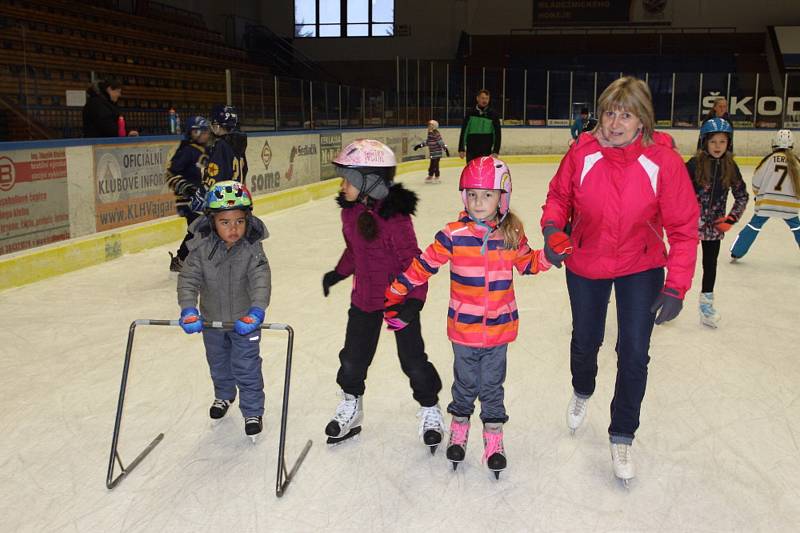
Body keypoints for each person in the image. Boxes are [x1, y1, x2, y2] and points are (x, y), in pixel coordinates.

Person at [541, 76, 699, 486]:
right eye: (610, 113)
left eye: (625, 115)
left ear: (642, 119)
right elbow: (559, 197)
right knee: (585, 339)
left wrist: (676, 284)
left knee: (633, 351)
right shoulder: (583, 152)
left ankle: (622, 433)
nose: (615, 123)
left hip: (641, 266)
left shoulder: (662, 162)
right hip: (587, 260)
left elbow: (683, 227)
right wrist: (552, 230)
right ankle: (582, 388)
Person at [385, 156, 561, 479]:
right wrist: (397, 289)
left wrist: (550, 254)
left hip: (499, 331)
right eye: (473, 194)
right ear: (464, 196)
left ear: (502, 198)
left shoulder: (510, 235)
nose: (479, 203)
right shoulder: (452, 235)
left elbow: (529, 264)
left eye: (488, 195)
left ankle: (494, 442)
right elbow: (423, 265)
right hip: (463, 331)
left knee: (492, 387)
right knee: (464, 385)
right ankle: (459, 431)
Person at [321, 139, 445, 451]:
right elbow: (355, 251)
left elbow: (414, 262)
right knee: (352, 359)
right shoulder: (350, 214)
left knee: (413, 361)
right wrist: (338, 272)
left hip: (399, 301)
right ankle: (352, 404)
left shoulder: (395, 218)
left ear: (367, 181)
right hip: (364, 299)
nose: (342, 185)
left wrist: (414, 302)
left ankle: (430, 407)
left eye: (347, 179)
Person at [176, 181, 271, 440]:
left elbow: (261, 280)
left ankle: (252, 411)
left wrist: (256, 312)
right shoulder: (200, 250)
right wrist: (188, 310)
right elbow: (188, 280)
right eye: (225, 222)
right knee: (218, 362)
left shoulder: (253, 248)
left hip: (245, 322)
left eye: (239, 221)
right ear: (212, 221)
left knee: (246, 366)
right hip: (211, 321)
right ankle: (224, 395)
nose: (234, 229)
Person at [687, 117, 748, 328]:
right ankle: (669, 298)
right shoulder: (694, 164)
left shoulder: (730, 167)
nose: (717, 146)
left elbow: (742, 196)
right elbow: (677, 192)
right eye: (713, 142)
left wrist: (730, 220)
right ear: (704, 142)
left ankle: (706, 306)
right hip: (689, 227)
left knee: (709, 267)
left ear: (728, 143)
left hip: (714, 229)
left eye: (722, 142)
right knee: (682, 264)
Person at [730, 129, 800, 260]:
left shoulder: (769, 159)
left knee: (754, 226)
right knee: (797, 228)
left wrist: (758, 195)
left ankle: (737, 252)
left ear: (774, 143)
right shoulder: (796, 161)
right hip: (790, 206)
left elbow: (756, 180)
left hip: (767, 202)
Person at [166, 116, 211, 272]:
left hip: (201, 198)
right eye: (203, 131)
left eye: (207, 131)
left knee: (202, 229)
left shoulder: (201, 150)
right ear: (194, 132)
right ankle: (181, 259)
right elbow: (171, 174)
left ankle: (185, 259)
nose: (206, 134)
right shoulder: (186, 151)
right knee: (198, 230)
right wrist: (187, 189)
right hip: (188, 200)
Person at [204, 104, 248, 189]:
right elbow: (244, 170)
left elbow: (213, 177)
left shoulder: (221, 145)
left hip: (223, 197)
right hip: (238, 195)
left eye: (213, 123)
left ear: (218, 125)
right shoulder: (239, 143)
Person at [458, 89, 502, 162]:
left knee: (485, 172)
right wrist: (461, 148)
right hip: (471, 149)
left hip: (486, 150)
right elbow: (464, 131)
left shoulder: (493, 114)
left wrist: (495, 151)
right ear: (477, 98)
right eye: (483, 98)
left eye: (487, 98)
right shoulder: (470, 113)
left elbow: (497, 134)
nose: (485, 100)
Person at [413, 119, 449, 184]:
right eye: (429, 125)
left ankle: (437, 177)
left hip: (437, 153)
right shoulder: (429, 133)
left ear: (434, 126)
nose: (429, 126)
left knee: (435, 165)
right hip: (432, 153)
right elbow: (427, 142)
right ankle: (430, 176)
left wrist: (445, 149)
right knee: (432, 165)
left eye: (430, 125)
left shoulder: (436, 133)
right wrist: (419, 146)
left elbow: (441, 142)